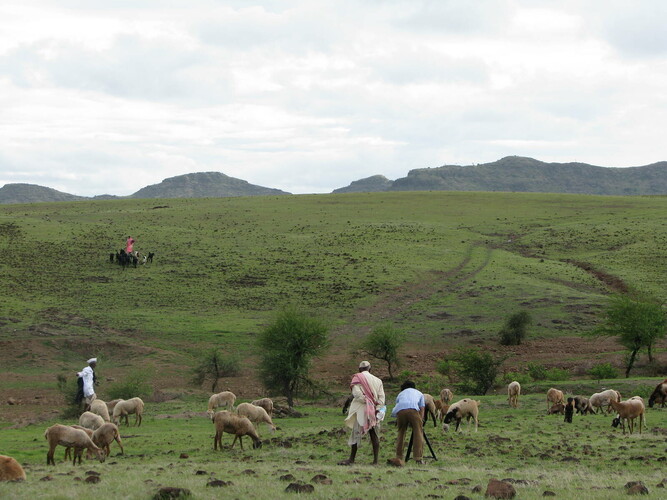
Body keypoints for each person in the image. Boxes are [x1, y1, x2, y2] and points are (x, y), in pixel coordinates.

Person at [338, 360, 385, 465]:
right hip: (373, 410)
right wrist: (375, 406)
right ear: (370, 369)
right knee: (374, 434)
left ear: (359, 369)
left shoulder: (357, 378)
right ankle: (375, 461)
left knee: (355, 433)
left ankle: (351, 459)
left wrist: (366, 401)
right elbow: (382, 399)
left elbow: (356, 394)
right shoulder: (378, 381)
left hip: (361, 409)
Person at [388, 380, 426, 466]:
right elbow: (422, 408)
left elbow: (398, 405)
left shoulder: (400, 394)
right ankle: (418, 458)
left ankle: (399, 457)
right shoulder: (419, 393)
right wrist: (421, 420)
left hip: (400, 412)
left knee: (401, 433)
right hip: (413, 410)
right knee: (418, 433)